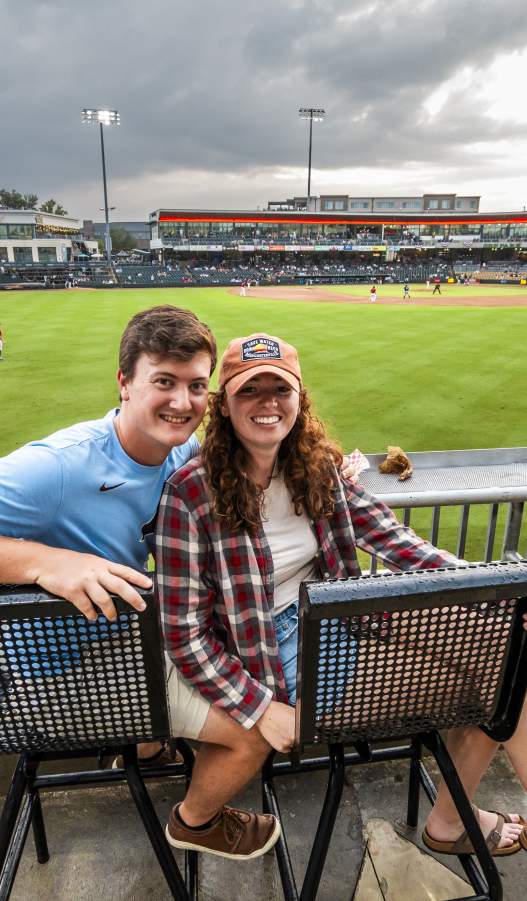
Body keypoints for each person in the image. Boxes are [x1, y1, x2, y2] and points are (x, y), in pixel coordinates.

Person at [0, 306, 280, 861]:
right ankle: (194, 822)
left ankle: (145, 749)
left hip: (123, 646)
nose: (183, 402)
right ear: (124, 382)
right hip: (63, 678)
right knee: (256, 722)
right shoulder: (62, 465)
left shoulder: (182, 453)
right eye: (163, 382)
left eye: (197, 386)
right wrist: (44, 561)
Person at [156, 332, 527, 859]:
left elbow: (396, 541)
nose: (267, 403)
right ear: (225, 406)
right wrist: (261, 708)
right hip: (270, 659)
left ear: (299, 399)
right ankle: (449, 821)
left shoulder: (317, 466)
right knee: (506, 671)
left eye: (279, 390)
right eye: (249, 391)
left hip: (338, 619)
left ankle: (450, 819)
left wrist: (497, 588)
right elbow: (183, 632)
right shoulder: (190, 492)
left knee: (509, 638)